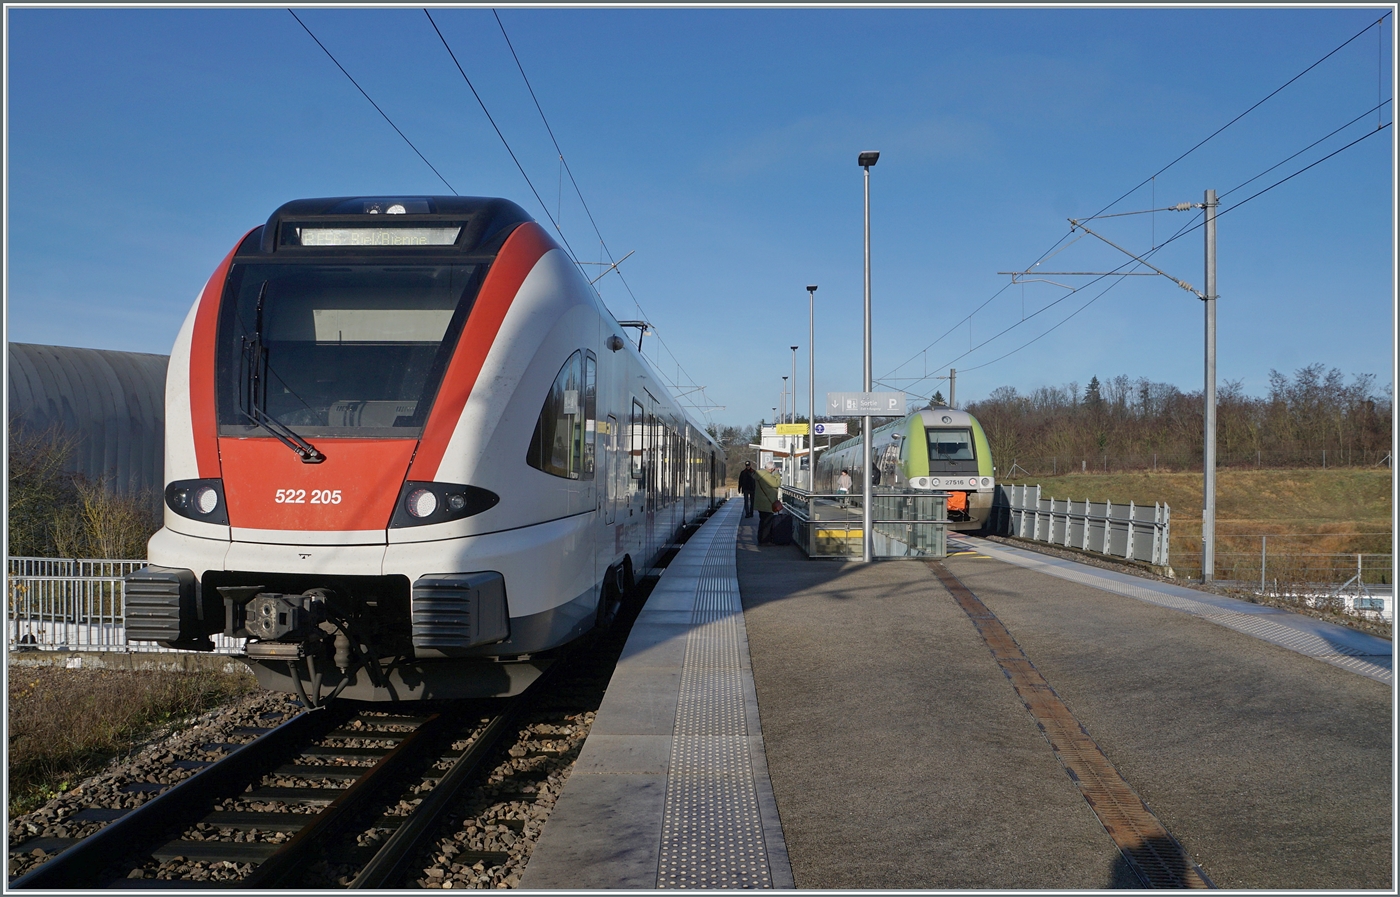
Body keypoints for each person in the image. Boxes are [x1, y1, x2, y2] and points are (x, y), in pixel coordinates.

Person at [752, 463, 782, 544]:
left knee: (762, 521)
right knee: (767, 523)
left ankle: (761, 539)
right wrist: (777, 474)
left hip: (761, 502)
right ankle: (765, 540)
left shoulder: (760, 474)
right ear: (771, 469)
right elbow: (777, 483)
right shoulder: (767, 476)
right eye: (773, 469)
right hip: (767, 503)